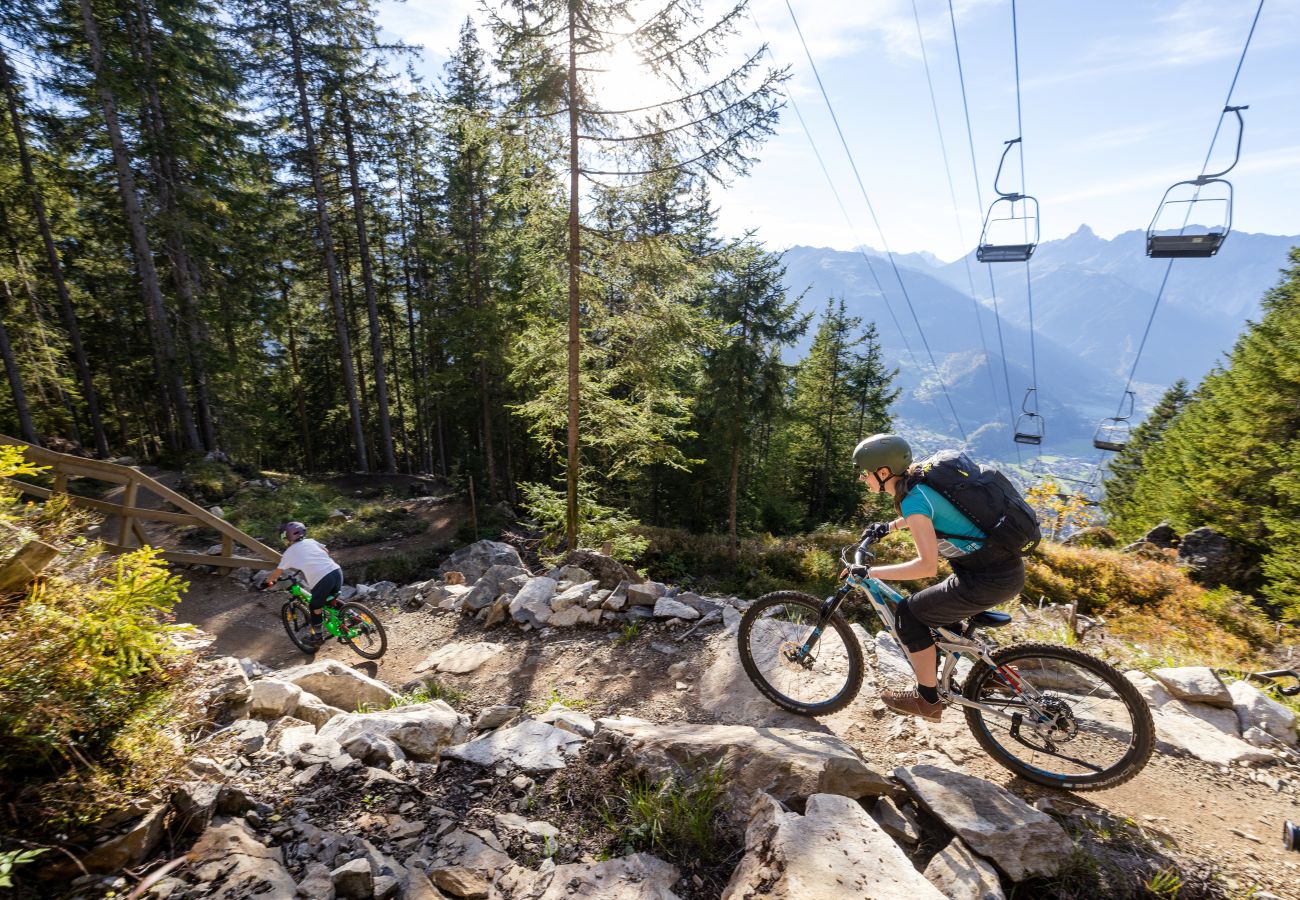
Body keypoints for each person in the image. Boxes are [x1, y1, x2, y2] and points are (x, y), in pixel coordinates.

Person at [853, 433, 1026, 722]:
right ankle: (996, 675)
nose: (862, 479)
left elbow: (926, 567)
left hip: (986, 579)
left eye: (864, 473)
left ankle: (927, 699)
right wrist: (889, 527)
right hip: (999, 570)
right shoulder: (919, 480)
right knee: (939, 619)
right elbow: (933, 511)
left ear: (883, 473)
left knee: (909, 614)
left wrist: (870, 572)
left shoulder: (913, 499)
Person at [262, 521, 344, 648]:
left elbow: (278, 572)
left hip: (322, 578)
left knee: (314, 607)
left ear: (286, 536)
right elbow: (326, 551)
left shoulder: (289, 552)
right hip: (336, 571)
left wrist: (268, 582)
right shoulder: (311, 541)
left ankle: (317, 637)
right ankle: (352, 617)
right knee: (330, 600)